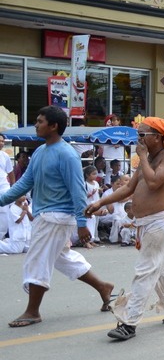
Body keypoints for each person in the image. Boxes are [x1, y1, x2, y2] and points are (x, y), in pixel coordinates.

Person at [0, 106, 114, 327]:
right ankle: (103, 287)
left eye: (40, 121)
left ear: (53, 126)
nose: (36, 124)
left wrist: (82, 224)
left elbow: (78, 191)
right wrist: (1, 199)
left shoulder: (67, 154)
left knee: (37, 260)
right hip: (47, 215)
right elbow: (25, 183)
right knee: (62, 258)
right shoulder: (40, 152)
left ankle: (32, 311)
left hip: (56, 217)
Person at [87, 117, 164, 341]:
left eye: (142, 134)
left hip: (158, 222)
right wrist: (100, 203)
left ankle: (129, 322)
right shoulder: (149, 159)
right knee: (160, 268)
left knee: (145, 271)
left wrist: (144, 157)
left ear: (156, 137)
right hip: (145, 223)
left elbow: (154, 182)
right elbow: (129, 187)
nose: (138, 139)